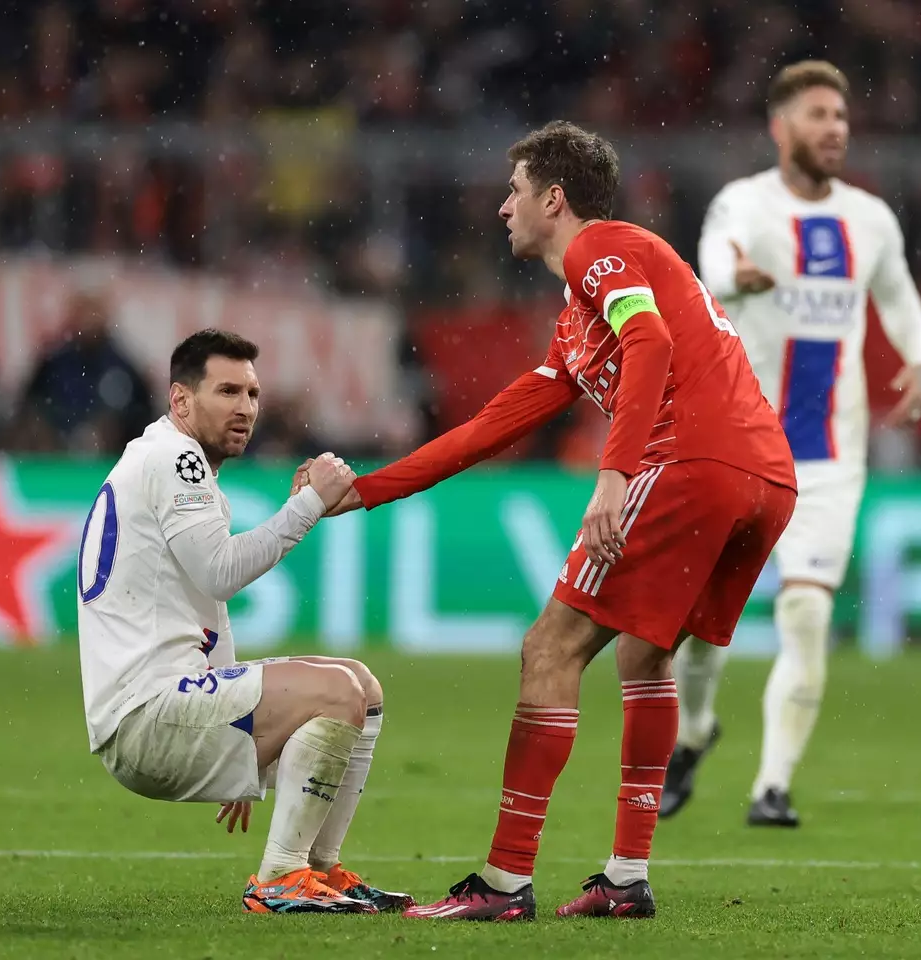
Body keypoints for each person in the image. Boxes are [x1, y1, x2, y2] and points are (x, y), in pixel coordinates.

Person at [299, 122, 797, 920]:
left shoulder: (602, 250)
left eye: (516, 191)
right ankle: (626, 878)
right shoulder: (576, 318)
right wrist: (366, 491)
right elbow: (487, 429)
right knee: (643, 655)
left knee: (549, 648)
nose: (503, 208)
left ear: (553, 199)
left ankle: (502, 882)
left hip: (690, 465)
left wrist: (613, 475)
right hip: (763, 476)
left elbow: (652, 341)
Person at [665, 61, 921, 828]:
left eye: (842, 117)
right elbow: (712, 261)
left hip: (827, 457)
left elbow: (898, 297)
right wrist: (736, 278)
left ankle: (772, 785)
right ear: (781, 128)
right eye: (818, 115)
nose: (834, 129)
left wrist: (920, 359)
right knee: (700, 628)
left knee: (808, 613)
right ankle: (694, 730)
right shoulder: (743, 203)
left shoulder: (871, 219)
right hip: (742, 449)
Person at [76, 328, 413, 914]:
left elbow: (206, 606)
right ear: (181, 400)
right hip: (146, 716)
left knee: (364, 686)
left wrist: (242, 728)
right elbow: (220, 573)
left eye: (253, 394)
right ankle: (280, 877)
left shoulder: (165, 460)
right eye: (227, 391)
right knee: (337, 692)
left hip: (158, 707)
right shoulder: (176, 459)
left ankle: (317, 870)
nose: (246, 408)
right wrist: (308, 506)